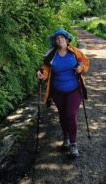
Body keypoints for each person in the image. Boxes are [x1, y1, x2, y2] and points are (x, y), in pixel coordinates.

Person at [37, 28, 90, 158]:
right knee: (62, 115)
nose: (60, 40)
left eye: (62, 37)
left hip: (74, 89)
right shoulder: (51, 54)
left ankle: (73, 144)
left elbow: (86, 63)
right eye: (57, 38)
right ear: (55, 41)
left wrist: (81, 68)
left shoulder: (75, 52)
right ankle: (65, 138)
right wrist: (41, 75)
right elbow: (46, 71)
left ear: (67, 40)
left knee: (71, 115)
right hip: (57, 91)